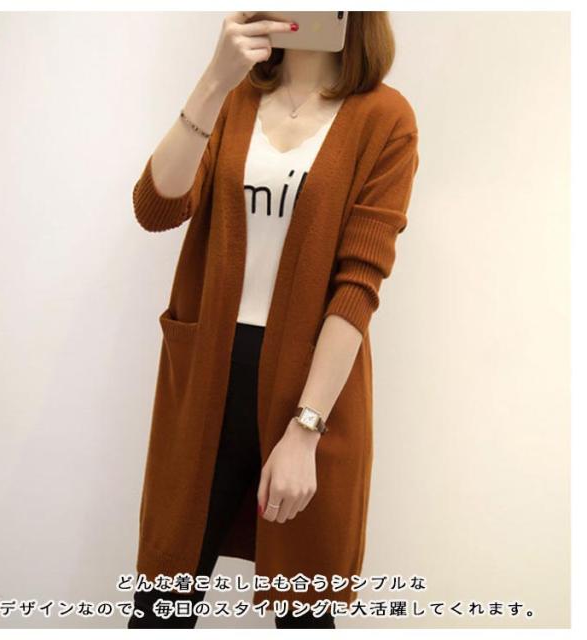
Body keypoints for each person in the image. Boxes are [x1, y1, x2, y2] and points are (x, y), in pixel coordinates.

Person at [128, 10, 419, 629]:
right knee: (160, 606)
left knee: (303, 610)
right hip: (206, 379)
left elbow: (359, 284)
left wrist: (306, 429)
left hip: (310, 389)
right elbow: (156, 208)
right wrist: (215, 79)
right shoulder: (234, 99)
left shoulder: (384, 117)